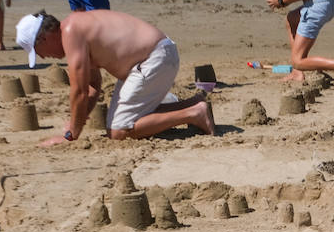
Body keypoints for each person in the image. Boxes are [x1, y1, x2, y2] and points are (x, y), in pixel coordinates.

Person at [15, 9, 216, 144]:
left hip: (154, 59)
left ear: (44, 37)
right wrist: (78, 120)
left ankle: (194, 114)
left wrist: (70, 135)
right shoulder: (74, 27)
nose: (42, 56)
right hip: (153, 59)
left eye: (37, 50)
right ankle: (193, 103)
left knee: (118, 131)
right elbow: (93, 85)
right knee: (123, 123)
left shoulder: (71, 31)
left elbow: (79, 91)